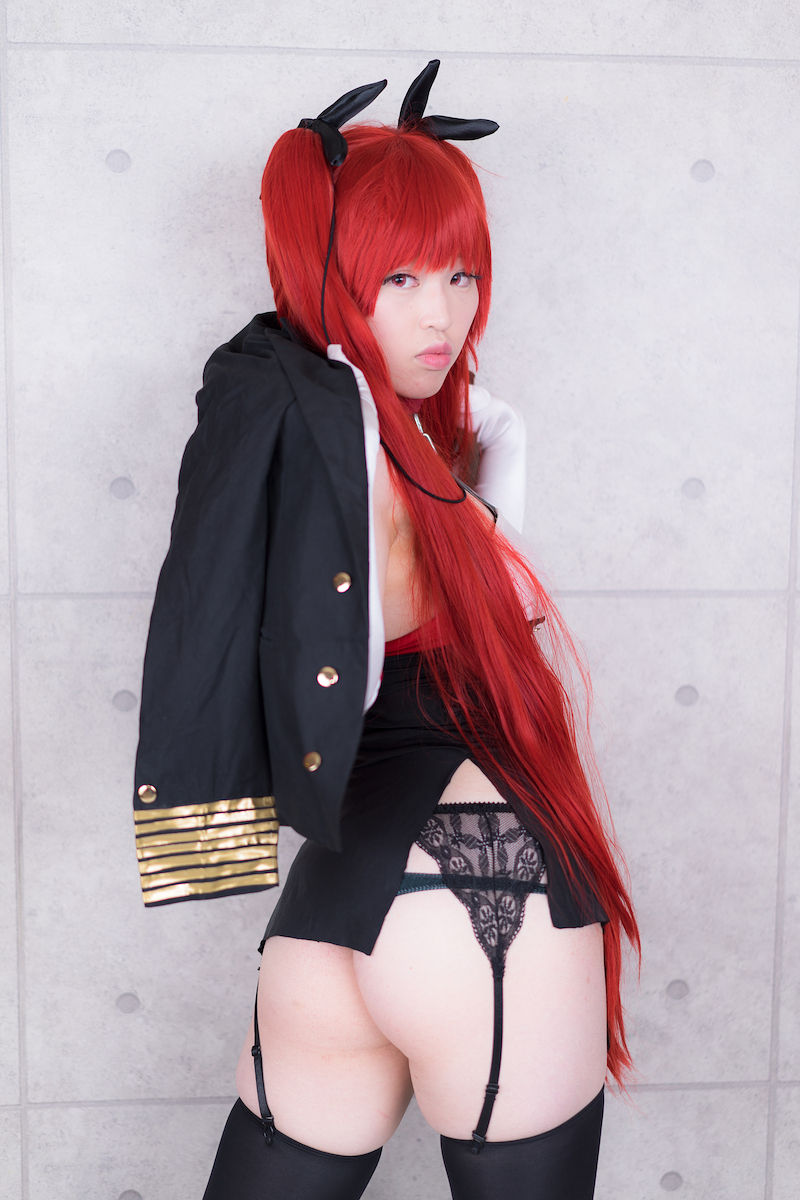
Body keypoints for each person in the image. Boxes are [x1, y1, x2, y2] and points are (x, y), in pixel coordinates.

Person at [132, 61, 638, 1200]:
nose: (441, 313)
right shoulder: (342, 432)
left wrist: (479, 474)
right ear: (326, 270)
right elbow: (355, 621)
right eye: (399, 276)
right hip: (488, 886)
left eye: (460, 274)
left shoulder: (354, 428)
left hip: (334, 902)